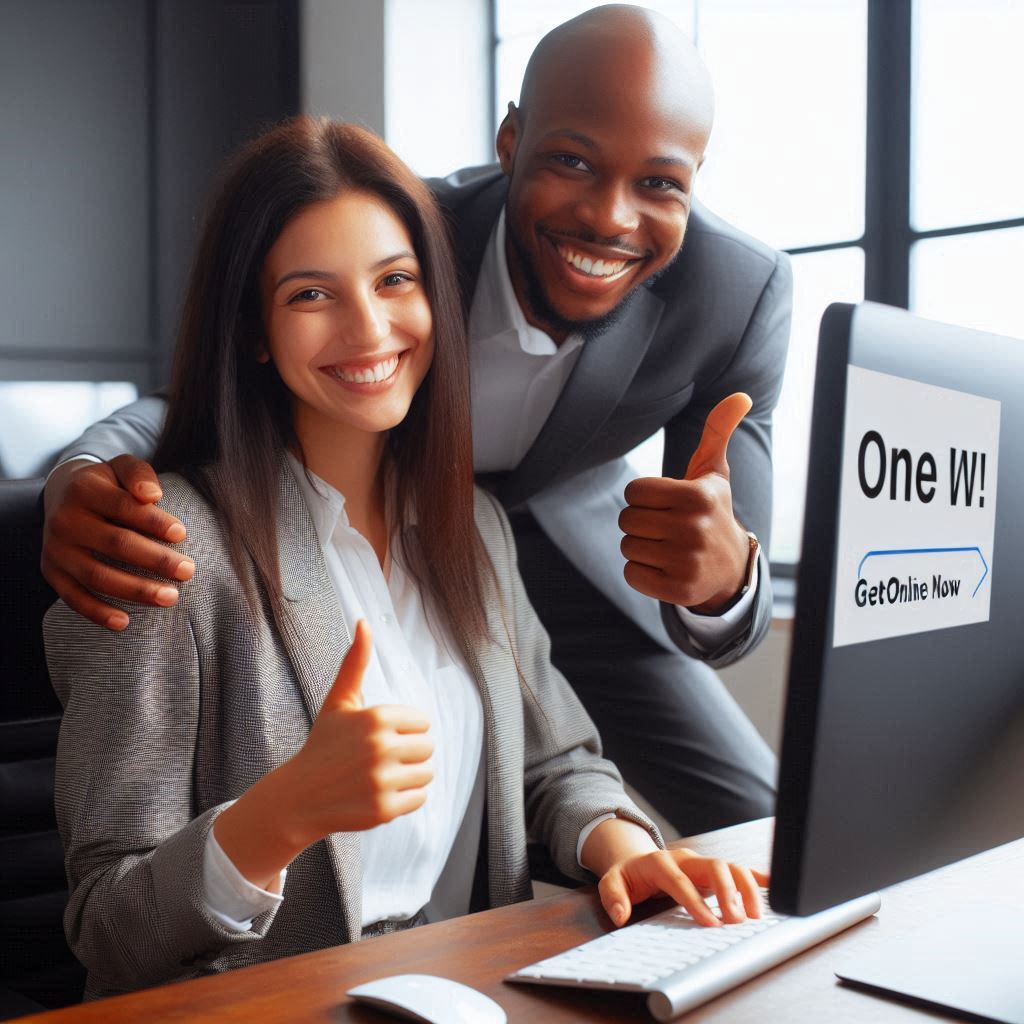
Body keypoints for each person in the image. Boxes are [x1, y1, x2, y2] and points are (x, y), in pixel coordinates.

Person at [43, 118, 767, 1000]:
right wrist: (279, 817)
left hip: (465, 994)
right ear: (255, 330)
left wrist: (623, 847)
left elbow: (557, 764)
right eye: (313, 295)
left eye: (396, 281)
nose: (369, 328)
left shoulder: (474, 527)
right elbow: (107, 931)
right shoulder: (163, 553)